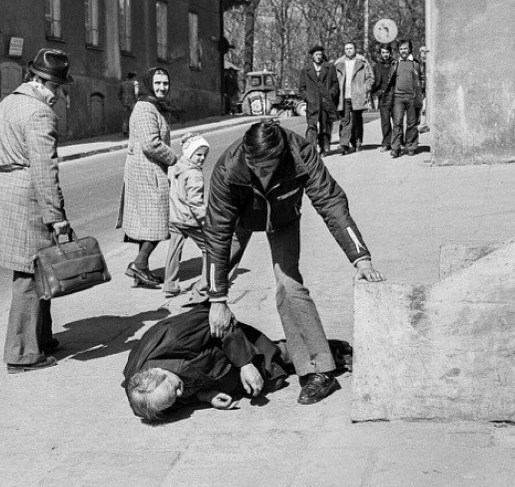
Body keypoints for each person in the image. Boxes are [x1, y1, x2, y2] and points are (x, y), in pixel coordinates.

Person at [204, 120, 385, 405]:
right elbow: (216, 232)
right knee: (210, 290)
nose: (259, 174)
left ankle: (319, 369)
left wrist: (361, 258)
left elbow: (331, 203)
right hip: (239, 220)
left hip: (283, 219)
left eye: (267, 168)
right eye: (253, 167)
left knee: (288, 287)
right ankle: (215, 361)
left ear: (281, 156)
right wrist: (217, 297)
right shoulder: (228, 168)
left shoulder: (300, 152)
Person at [0, 48, 73, 373]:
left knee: (39, 269)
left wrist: (5, 178)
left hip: (3, 194)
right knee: (30, 275)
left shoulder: (4, 105)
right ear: (39, 81)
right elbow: (45, 171)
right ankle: (21, 353)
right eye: (57, 88)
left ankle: (42, 339)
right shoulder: (39, 114)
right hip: (28, 199)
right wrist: (57, 219)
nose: (58, 95)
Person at [123, 303, 292, 420]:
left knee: (278, 360)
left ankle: (310, 355)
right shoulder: (144, 400)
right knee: (271, 380)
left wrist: (245, 364)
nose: (180, 394)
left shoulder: (176, 336)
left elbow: (220, 320)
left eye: (174, 389)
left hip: (236, 348)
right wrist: (206, 396)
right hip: (222, 375)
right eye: (174, 397)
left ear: (158, 371)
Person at [116, 67, 178, 287]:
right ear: (148, 84)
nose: (162, 87)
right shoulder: (145, 108)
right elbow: (151, 144)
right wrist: (174, 158)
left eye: (165, 83)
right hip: (146, 171)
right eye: (158, 83)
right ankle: (138, 265)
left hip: (147, 170)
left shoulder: (152, 106)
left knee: (146, 223)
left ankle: (142, 269)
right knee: (157, 221)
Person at [163, 133, 211, 298]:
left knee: (174, 250)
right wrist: (206, 220)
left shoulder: (176, 167)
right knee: (208, 247)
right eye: (198, 154)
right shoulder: (194, 174)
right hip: (190, 220)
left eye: (204, 155)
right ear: (190, 153)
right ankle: (205, 282)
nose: (202, 158)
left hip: (175, 217)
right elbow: (195, 202)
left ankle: (170, 285)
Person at [298, 44, 339, 156]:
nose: (319, 57)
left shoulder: (329, 67)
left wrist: (330, 94)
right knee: (312, 125)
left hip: (326, 101)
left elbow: (335, 84)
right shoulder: (306, 70)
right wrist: (307, 97)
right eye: (316, 54)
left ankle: (324, 148)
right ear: (313, 56)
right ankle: (311, 149)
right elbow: (301, 88)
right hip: (312, 102)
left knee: (325, 126)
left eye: (320, 54)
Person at [333, 41, 374, 154]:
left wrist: (365, 88)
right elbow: (334, 79)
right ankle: (344, 145)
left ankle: (357, 141)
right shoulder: (339, 64)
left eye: (351, 48)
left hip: (357, 95)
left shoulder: (362, 62)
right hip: (344, 95)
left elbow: (370, 77)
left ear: (355, 49)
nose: (349, 50)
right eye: (346, 49)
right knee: (345, 120)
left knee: (357, 119)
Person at [390, 39, 425, 158]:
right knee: (397, 123)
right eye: (401, 49)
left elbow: (421, 79)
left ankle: (410, 145)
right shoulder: (395, 63)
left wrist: (421, 95)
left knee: (412, 123)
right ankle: (395, 147)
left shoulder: (415, 63)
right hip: (398, 97)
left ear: (409, 49)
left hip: (412, 97)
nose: (403, 51)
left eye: (405, 48)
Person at [371, 44, 398, 150]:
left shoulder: (395, 64)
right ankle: (386, 142)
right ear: (380, 54)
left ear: (390, 53)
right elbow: (374, 81)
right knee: (385, 121)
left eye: (387, 52)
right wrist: (373, 93)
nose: (385, 55)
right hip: (383, 96)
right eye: (383, 52)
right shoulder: (376, 66)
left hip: (395, 95)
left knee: (397, 120)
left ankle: (397, 142)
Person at [117, 71, 139, 137]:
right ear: (133, 77)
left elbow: (119, 94)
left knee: (125, 118)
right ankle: (134, 132)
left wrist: (122, 101)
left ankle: (125, 132)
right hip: (133, 102)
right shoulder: (135, 83)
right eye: (135, 77)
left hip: (124, 102)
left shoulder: (122, 84)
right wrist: (137, 100)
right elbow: (136, 93)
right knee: (135, 117)